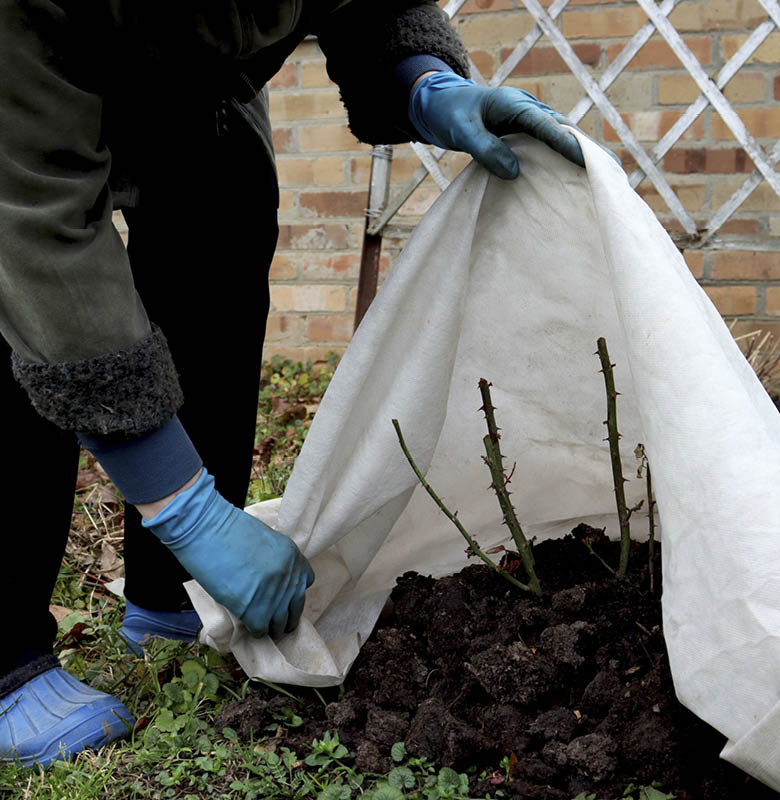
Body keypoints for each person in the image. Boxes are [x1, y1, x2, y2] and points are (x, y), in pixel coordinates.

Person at [0, 0, 587, 768]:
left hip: (190, 78)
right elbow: (33, 233)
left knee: (224, 196)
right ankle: (7, 662)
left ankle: (171, 595)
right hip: (18, 87)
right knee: (15, 297)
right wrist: (186, 509)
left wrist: (419, 77)